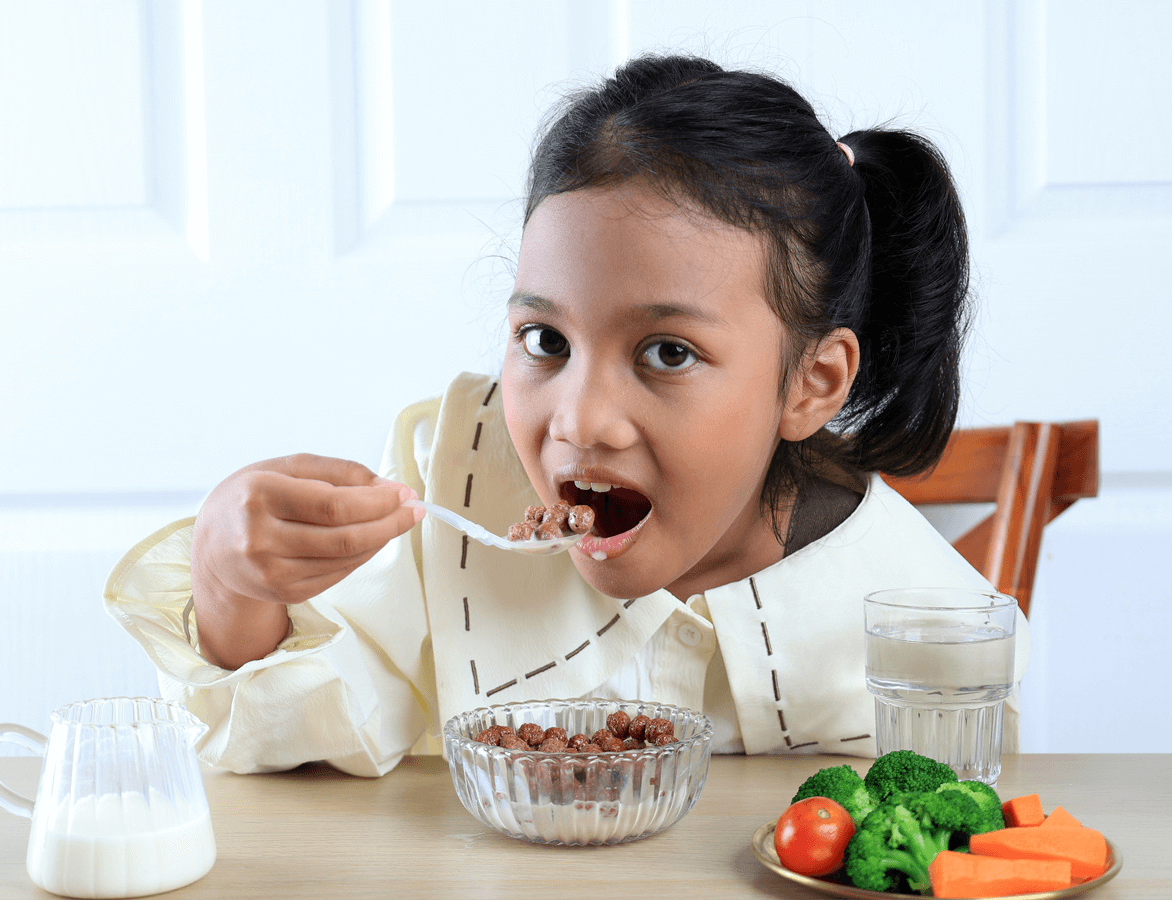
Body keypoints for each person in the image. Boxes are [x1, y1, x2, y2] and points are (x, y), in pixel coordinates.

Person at [105, 54, 1028, 776]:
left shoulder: (933, 629)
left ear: (811, 385)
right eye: (544, 342)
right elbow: (304, 741)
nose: (581, 421)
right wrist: (233, 589)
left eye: (668, 353)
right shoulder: (455, 474)